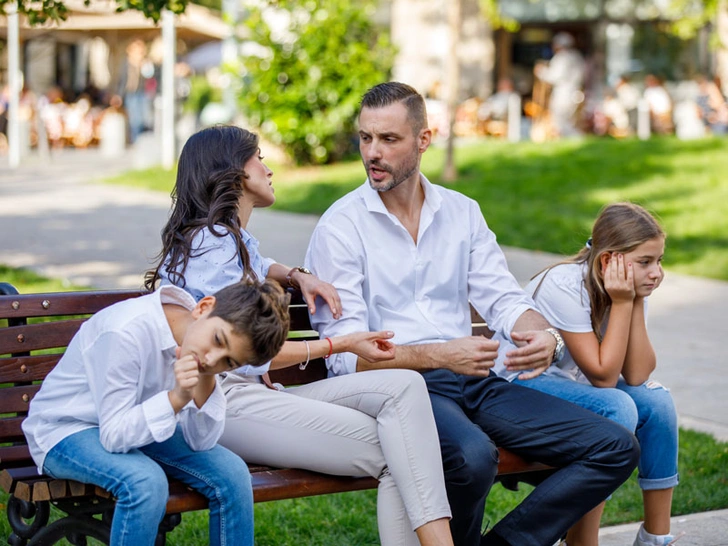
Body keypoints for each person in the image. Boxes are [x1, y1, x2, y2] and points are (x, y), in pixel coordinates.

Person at [304, 81, 640, 546]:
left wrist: (545, 336)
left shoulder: (461, 212)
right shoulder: (341, 228)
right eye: (365, 138)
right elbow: (347, 358)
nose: (372, 153)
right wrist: (442, 355)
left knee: (614, 446)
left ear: (424, 140)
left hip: (478, 378)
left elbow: (503, 298)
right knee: (473, 456)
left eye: (389, 139)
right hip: (405, 390)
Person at [145, 125, 455, 546]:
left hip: (250, 394)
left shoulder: (226, 239)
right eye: (258, 158)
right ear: (234, 172)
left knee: (404, 387)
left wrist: (295, 275)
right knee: (401, 455)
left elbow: (258, 262)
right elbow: (248, 353)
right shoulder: (211, 245)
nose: (268, 168)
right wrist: (341, 343)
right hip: (219, 401)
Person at [22, 280, 291, 546]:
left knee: (233, 474)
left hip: (135, 424)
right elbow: (113, 436)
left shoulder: (204, 355)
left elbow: (201, 442)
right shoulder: (127, 331)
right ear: (204, 307)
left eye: (228, 362)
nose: (212, 359)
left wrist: (205, 379)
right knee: (145, 482)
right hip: (66, 430)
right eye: (218, 340)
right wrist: (175, 399)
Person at [493, 202, 679, 546]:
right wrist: (624, 303)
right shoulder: (565, 285)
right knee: (616, 406)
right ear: (610, 261)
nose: (656, 273)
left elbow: (637, 374)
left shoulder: (629, 288)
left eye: (659, 260)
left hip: (568, 386)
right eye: (645, 262)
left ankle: (656, 537)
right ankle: (582, 541)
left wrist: (633, 302)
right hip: (518, 385)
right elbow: (604, 378)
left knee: (657, 402)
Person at [534, 32, 585, 138]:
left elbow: (554, 77)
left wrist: (541, 71)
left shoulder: (562, 58)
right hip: (575, 93)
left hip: (564, 94)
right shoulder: (577, 56)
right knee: (570, 121)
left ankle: (577, 141)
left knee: (562, 122)